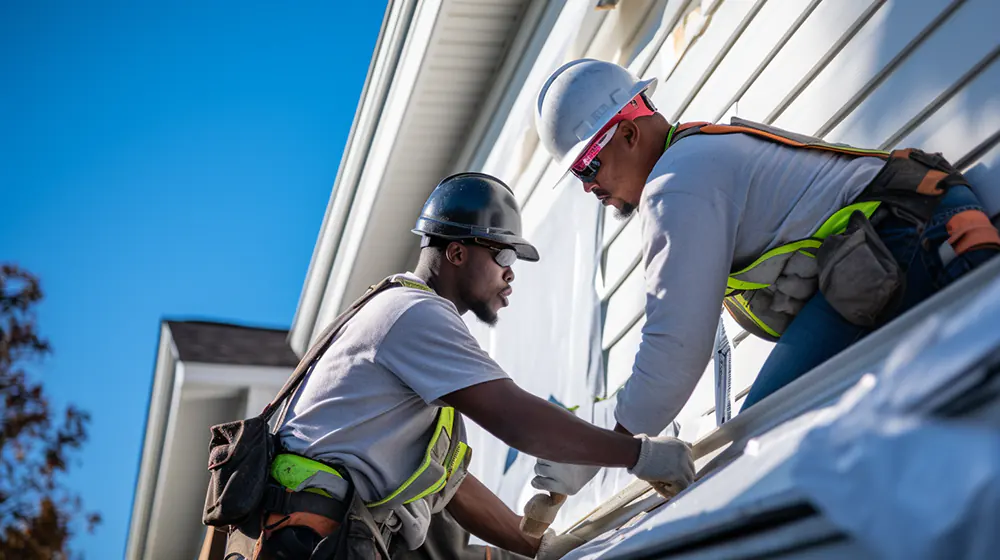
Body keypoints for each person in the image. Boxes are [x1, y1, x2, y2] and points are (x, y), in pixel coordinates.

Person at [529, 58, 1000, 499]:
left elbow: (673, 350)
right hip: (905, 237)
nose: (589, 186)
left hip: (913, 236)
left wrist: (600, 450)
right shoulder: (696, 160)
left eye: (589, 165)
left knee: (757, 455)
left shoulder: (678, 182)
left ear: (629, 133)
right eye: (577, 175)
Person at [263, 172, 696, 560]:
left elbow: (452, 485)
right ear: (456, 253)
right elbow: (517, 419)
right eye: (503, 256)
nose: (511, 274)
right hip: (312, 539)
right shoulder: (414, 313)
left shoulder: (409, 330)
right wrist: (639, 454)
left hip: (320, 535)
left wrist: (541, 547)